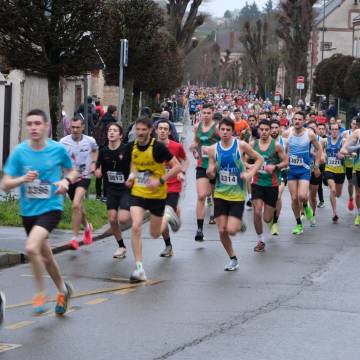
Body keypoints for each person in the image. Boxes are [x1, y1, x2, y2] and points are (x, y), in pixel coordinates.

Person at [2, 109, 77, 315]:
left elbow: (73, 170)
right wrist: (22, 179)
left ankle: (40, 294)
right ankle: (63, 289)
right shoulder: (20, 152)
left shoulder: (56, 149)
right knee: (46, 256)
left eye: (37, 123)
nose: (33, 127)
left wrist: (65, 180)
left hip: (51, 207)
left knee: (32, 248)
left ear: (46, 126)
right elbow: (5, 184)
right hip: (29, 212)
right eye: (30, 124)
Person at [126, 117, 181, 282]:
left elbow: (177, 166)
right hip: (138, 192)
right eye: (138, 129)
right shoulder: (132, 146)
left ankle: (168, 216)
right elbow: (134, 163)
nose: (140, 133)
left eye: (144, 130)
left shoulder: (158, 147)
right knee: (135, 226)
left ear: (150, 131)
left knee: (155, 233)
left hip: (157, 194)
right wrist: (131, 176)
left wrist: (160, 180)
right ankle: (139, 268)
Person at [207, 117, 263, 269]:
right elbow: (211, 170)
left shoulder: (241, 146)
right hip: (219, 193)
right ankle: (233, 259)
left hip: (237, 195)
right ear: (218, 131)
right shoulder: (213, 149)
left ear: (233, 131)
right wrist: (210, 172)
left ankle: (237, 224)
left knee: (231, 230)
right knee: (222, 230)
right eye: (222, 129)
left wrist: (250, 174)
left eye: (228, 130)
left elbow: (259, 159)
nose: (225, 132)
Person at [60, 116, 98, 250]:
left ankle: (74, 238)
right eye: (72, 127)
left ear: (83, 127)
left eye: (77, 127)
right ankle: (87, 227)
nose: (75, 130)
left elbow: (95, 150)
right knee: (79, 207)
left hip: (84, 177)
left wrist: (93, 163)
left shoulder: (90, 141)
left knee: (76, 204)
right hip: (70, 178)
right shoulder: (63, 142)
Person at [249, 120, 287, 252]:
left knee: (267, 218)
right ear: (258, 130)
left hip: (272, 185)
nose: (264, 132)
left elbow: (285, 162)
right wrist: (251, 166)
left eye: (266, 129)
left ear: (270, 130)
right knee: (257, 211)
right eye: (262, 129)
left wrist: (275, 166)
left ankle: (271, 219)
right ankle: (260, 240)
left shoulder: (276, 146)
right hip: (257, 183)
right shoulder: (253, 144)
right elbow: (241, 159)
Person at [96, 123, 131, 259]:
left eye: (115, 130)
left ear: (120, 135)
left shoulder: (125, 150)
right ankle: (121, 246)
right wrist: (97, 171)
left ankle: (135, 211)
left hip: (125, 189)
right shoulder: (103, 151)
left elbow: (134, 165)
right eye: (110, 130)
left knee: (123, 220)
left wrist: (132, 177)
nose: (111, 132)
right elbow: (98, 167)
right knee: (112, 219)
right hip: (111, 189)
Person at [156, 119, 189, 257]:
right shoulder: (152, 147)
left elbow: (186, 160)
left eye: (165, 129)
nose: (162, 131)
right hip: (158, 187)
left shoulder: (176, 146)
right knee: (160, 217)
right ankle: (168, 245)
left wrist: (182, 172)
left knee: (165, 214)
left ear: (169, 132)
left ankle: (173, 212)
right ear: (156, 131)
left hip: (174, 185)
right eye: (160, 128)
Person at [285, 111, 321, 235]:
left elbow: (319, 148)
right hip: (291, 170)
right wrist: (285, 163)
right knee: (294, 198)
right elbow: (283, 149)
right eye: (295, 119)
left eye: (300, 119)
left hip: (304, 170)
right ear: (292, 120)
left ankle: (306, 206)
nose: (297, 121)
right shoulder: (287, 133)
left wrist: (316, 166)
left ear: (304, 121)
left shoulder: (309, 134)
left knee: (302, 196)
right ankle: (299, 224)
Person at [189, 104, 219, 241]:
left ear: (212, 113)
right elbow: (196, 141)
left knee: (214, 194)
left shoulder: (218, 128)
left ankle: (214, 213)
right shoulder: (197, 127)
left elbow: (225, 144)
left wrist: (213, 150)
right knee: (201, 195)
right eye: (203, 113)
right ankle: (199, 229)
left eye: (208, 113)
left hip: (216, 165)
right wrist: (194, 149)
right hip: (202, 165)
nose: (205, 115)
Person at [321, 122, 346, 223]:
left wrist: (342, 155)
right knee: (333, 189)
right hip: (329, 169)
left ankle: (335, 206)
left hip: (340, 170)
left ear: (339, 131)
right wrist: (323, 155)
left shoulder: (342, 141)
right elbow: (321, 151)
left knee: (338, 194)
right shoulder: (325, 141)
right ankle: (335, 212)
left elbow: (345, 152)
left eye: (336, 129)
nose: (334, 131)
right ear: (330, 130)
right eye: (332, 129)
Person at [93, 105, 118, 201]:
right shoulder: (112, 123)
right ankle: (106, 195)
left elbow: (95, 132)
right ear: (114, 112)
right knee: (107, 172)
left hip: (99, 148)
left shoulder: (101, 120)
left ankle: (98, 194)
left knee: (98, 172)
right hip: (108, 149)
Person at [340, 117, 360, 225]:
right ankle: (359, 214)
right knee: (358, 194)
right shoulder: (356, 133)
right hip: (357, 167)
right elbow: (344, 149)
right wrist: (357, 148)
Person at [270, 119, 288, 235]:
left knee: (277, 196)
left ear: (280, 128)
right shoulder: (264, 141)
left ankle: (275, 222)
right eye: (272, 128)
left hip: (281, 172)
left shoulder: (285, 141)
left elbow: (289, 155)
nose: (274, 130)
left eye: (277, 127)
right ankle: (270, 215)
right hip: (267, 174)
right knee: (270, 199)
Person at [343, 118, 358, 211]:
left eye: (356, 124)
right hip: (348, 163)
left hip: (357, 163)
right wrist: (350, 153)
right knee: (350, 182)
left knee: (357, 185)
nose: (355, 125)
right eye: (353, 123)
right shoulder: (346, 133)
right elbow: (343, 147)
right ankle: (351, 198)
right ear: (351, 124)